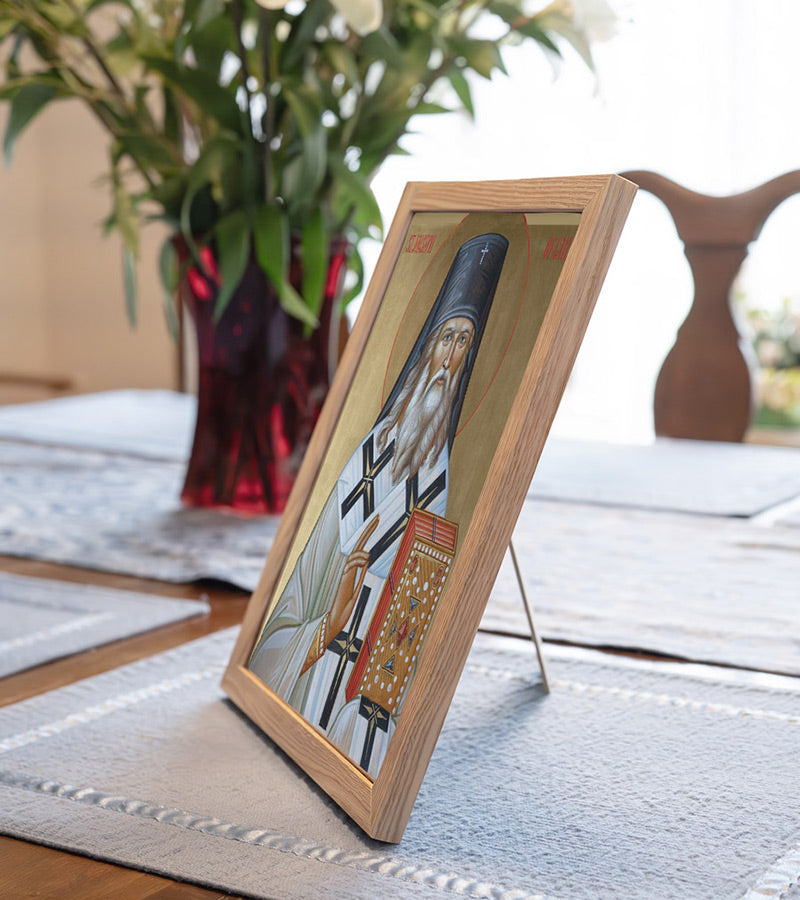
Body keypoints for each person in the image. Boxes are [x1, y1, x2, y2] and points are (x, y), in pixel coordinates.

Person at [248, 232, 509, 775]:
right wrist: (329, 623)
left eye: (465, 343)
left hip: (371, 691)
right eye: (445, 339)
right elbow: (299, 591)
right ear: (426, 349)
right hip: (317, 663)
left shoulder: (443, 479)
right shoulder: (365, 454)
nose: (451, 355)